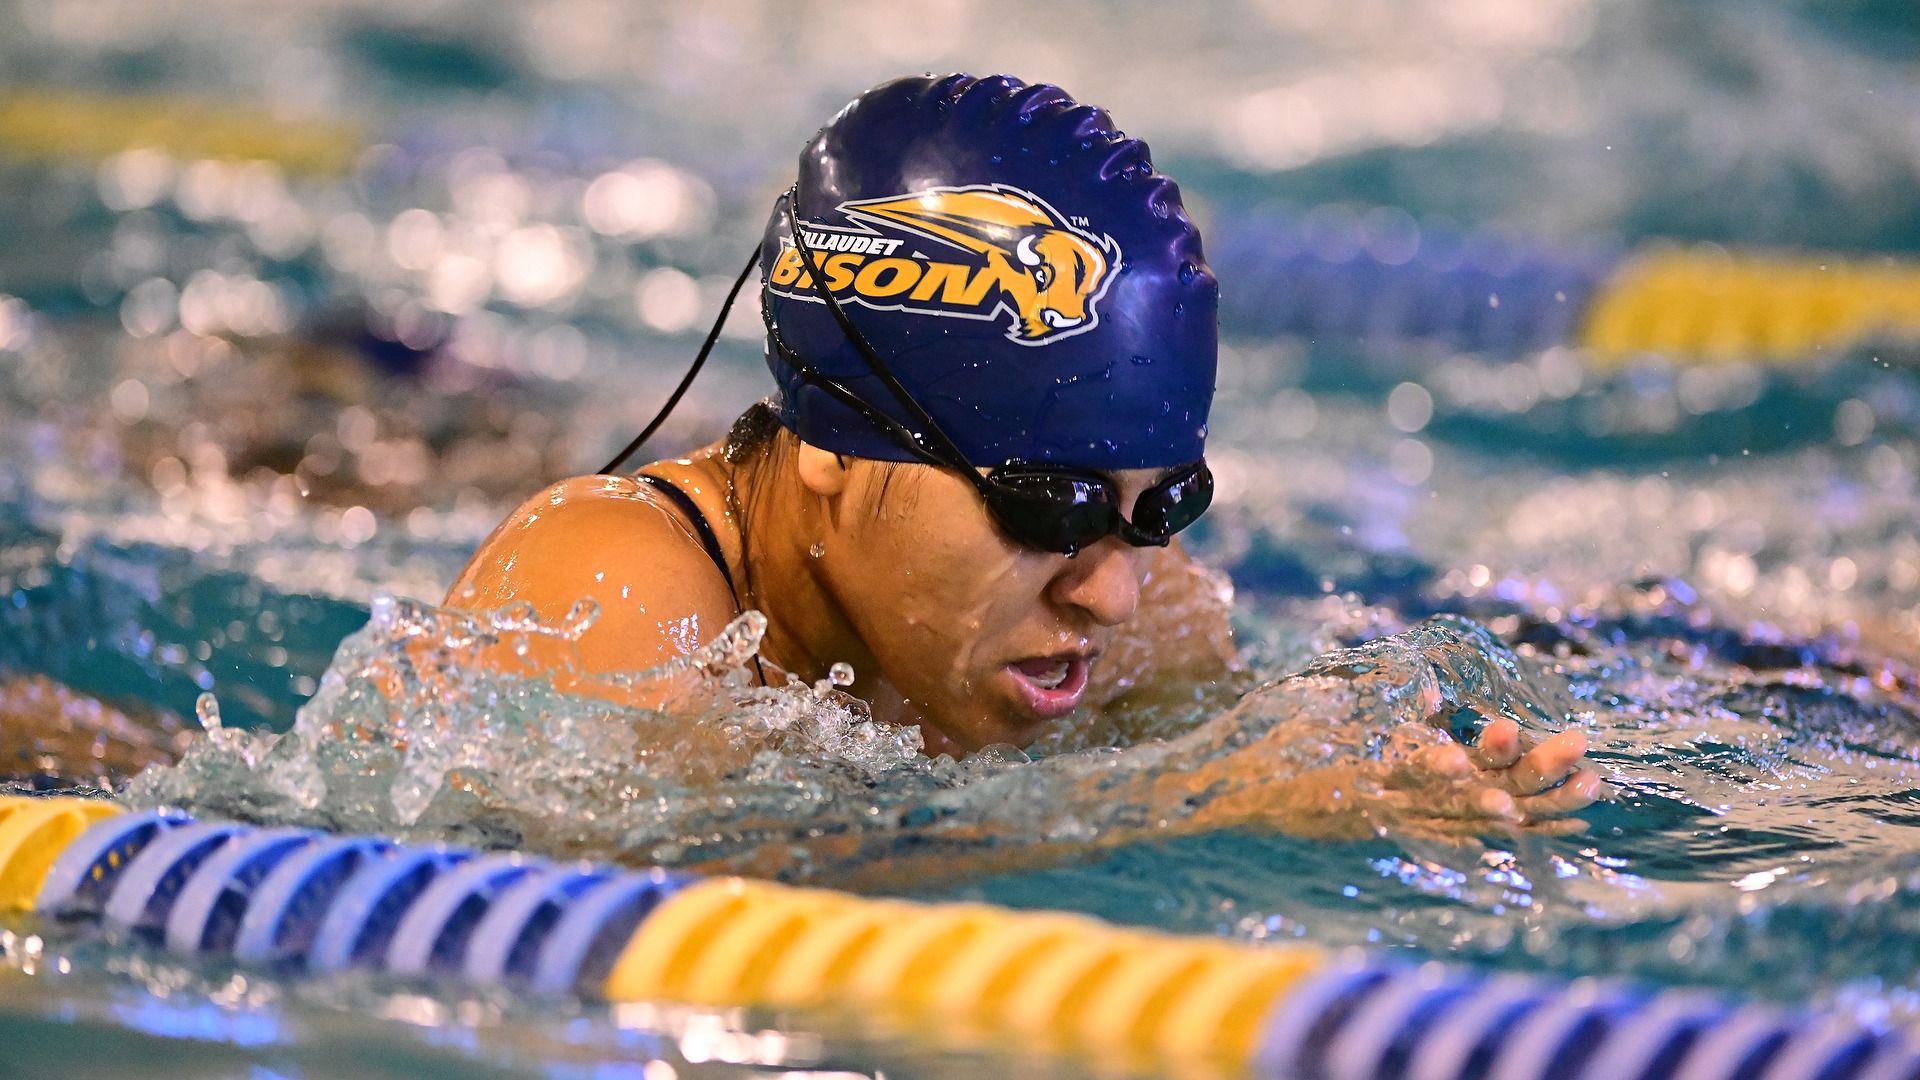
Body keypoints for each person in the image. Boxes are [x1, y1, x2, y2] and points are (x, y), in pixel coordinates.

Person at [448, 73, 1601, 839]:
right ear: (832, 448)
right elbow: (682, 890)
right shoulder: (605, 586)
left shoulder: (1145, 626)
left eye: (1162, 508)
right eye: (1049, 505)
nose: (1113, 590)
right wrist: (1196, 806)